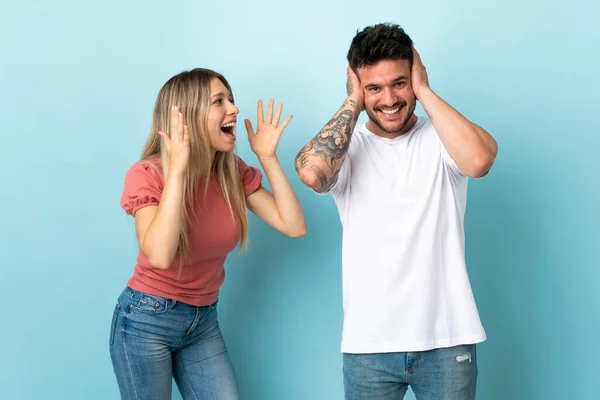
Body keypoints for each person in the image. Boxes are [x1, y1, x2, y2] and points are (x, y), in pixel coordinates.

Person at [294, 23, 498, 399]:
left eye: (399, 83)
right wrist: (353, 101)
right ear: (358, 87)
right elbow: (311, 173)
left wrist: (424, 90)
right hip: (369, 348)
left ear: (414, 75)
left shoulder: (442, 138)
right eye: (374, 88)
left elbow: (481, 160)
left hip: (448, 340)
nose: (389, 99)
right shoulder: (347, 149)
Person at [109, 67, 306, 400]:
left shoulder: (231, 172)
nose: (233, 109)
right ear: (187, 117)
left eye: (230, 99)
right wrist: (179, 170)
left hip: (202, 322)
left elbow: (293, 225)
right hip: (146, 321)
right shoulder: (147, 175)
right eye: (219, 101)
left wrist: (268, 157)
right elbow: (158, 254)